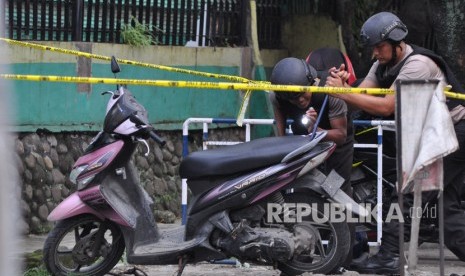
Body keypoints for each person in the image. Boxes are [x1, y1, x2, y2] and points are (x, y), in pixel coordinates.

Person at [325, 11, 465, 274]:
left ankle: (389, 258)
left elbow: (387, 106)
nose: (375, 53)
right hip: (438, 135)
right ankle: (390, 258)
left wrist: (343, 94)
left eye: (379, 46)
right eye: (373, 48)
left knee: (406, 194)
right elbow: (365, 90)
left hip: (455, 134)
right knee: (447, 214)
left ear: (397, 41)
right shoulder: (383, 64)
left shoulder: (418, 64)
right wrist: (346, 86)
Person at [269, 51, 357, 271]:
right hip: (306, 143)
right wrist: (281, 148)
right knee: (304, 196)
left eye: (303, 94)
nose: (299, 100)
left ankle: (341, 263)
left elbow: (340, 134)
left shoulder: (330, 91)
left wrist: (316, 130)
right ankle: (301, 260)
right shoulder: (278, 95)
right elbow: (280, 124)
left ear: (311, 82)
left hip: (337, 143)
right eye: (293, 97)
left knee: (338, 195)